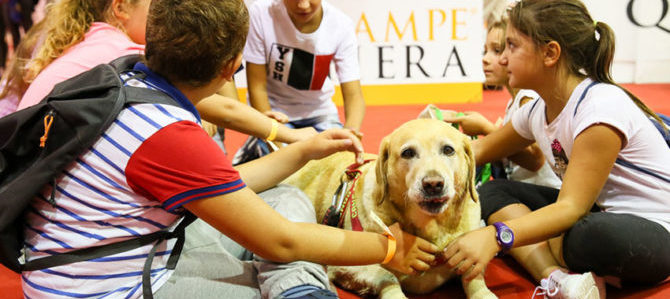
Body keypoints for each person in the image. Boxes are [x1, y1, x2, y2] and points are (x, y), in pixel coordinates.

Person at [21, 1, 438, 298]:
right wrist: (388, 249)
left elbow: (224, 185)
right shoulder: (167, 132)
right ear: (230, 67)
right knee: (281, 257)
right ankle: (302, 291)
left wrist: (303, 150)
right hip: (105, 285)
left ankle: (295, 287)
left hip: (108, 249)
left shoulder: (134, 82)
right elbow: (283, 243)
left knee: (288, 197)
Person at [442, 1, 670, 298]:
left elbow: (570, 208)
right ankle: (560, 279)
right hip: (593, 213)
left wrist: (497, 235)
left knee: (586, 235)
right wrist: (413, 158)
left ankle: (568, 260)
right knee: (492, 192)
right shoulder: (537, 110)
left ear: (550, 53)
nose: (503, 58)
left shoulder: (599, 106)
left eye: (511, 46)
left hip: (655, 230)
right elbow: (476, 152)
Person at [8, 0, 315, 145]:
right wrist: (287, 135)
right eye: (155, 6)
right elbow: (221, 108)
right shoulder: (121, 55)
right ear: (121, 8)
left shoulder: (92, 38)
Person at [235, 0, 366, 164]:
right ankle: (255, 146)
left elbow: (354, 96)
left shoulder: (341, 25)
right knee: (279, 165)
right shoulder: (261, 14)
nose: (303, 5)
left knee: (336, 164)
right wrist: (269, 132)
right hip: (275, 114)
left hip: (320, 114)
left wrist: (350, 132)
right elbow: (257, 88)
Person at [444, 18, 561, 189]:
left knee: (487, 192)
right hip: (523, 187)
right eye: (485, 50)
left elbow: (534, 159)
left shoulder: (528, 97)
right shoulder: (513, 102)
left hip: (542, 190)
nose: (485, 59)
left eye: (497, 51)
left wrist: (486, 129)